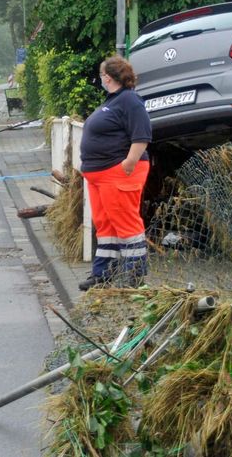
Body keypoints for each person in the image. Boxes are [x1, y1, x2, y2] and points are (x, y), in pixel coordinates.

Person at [77, 55, 153, 290]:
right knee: (106, 225)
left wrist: (129, 163)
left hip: (118, 172)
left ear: (107, 77)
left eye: (101, 75)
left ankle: (135, 275)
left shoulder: (130, 100)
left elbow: (142, 134)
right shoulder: (113, 100)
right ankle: (103, 273)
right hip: (99, 175)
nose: (100, 79)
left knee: (126, 222)